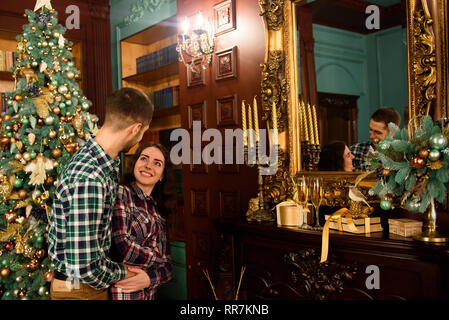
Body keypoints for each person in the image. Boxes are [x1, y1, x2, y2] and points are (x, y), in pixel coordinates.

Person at [48, 87, 154, 300]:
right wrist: (124, 271)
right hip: (80, 290)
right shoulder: (90, 177)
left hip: (83, 286)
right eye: (143, 133)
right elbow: (85, 267)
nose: (140, 139)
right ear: (135, 128)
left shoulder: (103, 162)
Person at [110, 142, 177, 300]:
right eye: (144, 159)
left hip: (149, 294)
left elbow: (168, 268)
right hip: (124, 293)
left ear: (162, 175)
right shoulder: (122, 193)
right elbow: (123, 245)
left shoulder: (158, 210)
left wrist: (149, 279)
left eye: (157, 163)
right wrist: (157, 259)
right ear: (134, 164)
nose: (148, 166)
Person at [350, 107, 401, 171]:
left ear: (392, 132)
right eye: (370, 130)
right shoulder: (355, 151)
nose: (371, 136)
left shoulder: (403, 157)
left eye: (377, 132)